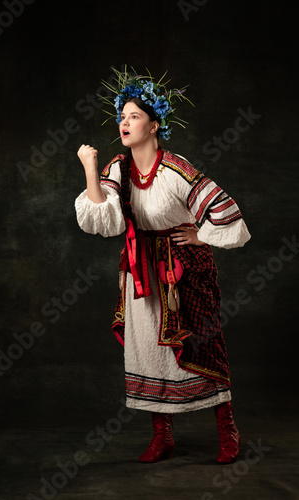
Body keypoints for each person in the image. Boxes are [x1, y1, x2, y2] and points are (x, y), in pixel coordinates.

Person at [75, 68, 251, 464]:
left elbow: (223, 210)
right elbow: (102, 219)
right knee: (148, 351)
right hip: (140, 272)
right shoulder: (118, 170)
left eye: (134, 116)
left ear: (154, 126)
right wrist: (90, 167)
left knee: (202, 346)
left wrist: (201, 235)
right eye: (122, 116)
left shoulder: (175, 169)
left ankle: (227, 430)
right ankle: (162, 436)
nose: (124, 121)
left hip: (183, 270)